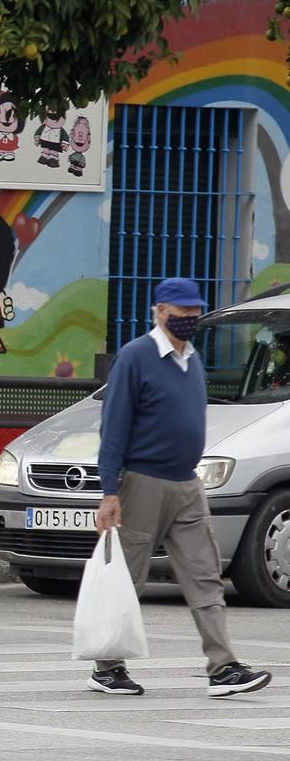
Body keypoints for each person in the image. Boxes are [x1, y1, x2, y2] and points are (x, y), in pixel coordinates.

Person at [93, 277, 272, 698]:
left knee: (205, 574)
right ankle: (107, 666)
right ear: (160, 312)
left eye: (195, 313)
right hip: (142, 483)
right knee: (128, 578)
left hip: (187, 483)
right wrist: (109, 492)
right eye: (183, 313)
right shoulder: (135, 357)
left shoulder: (192, 359)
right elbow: (113, 429)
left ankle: (223, 667)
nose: (190, 319)